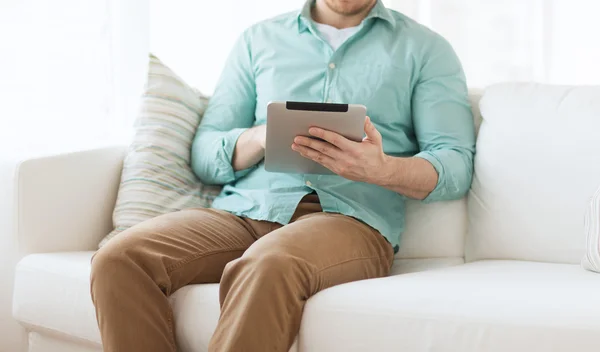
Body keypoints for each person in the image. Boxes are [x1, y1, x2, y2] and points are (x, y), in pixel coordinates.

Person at [90, 0, 475, 351]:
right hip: (246, 211)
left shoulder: (426, 49)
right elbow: (205, 154)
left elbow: (455, 163)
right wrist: (258, 136)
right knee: (120, 258)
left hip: (350, 221)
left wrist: (382, 168)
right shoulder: (259, 40)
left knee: (268, 263)